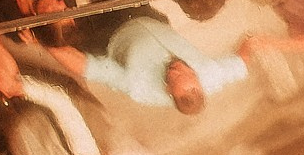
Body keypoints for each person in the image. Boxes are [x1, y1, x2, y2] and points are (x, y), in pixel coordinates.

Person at [47, 14, 249, 114]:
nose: (174, 70)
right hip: (145, 15)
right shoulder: (211, 75)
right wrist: (281, 43)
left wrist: (45, 43)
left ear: (168, 90)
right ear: (197, 80)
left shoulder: (139, 87)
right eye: (183, 73)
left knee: (69, 23)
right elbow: (246, 53)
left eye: (171, 79)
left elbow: (87, 67)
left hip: (109, 33)